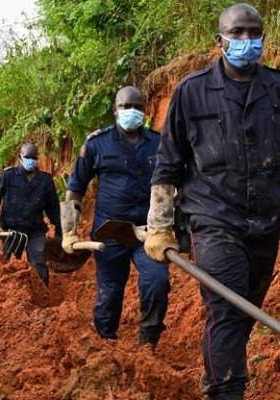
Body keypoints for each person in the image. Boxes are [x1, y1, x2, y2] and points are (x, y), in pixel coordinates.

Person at [144, 4, 278, 399]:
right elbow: (168, 164)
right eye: (236, 34)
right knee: (227, 307)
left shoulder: (276, 89)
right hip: (213, 220)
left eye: (253, 33)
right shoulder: (191, 91)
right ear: (218, 40)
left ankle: (218, 371)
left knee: (246, 308)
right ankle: (226, 390)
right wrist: (160, 226)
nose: (245, 41)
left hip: (267, 223)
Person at [61, 86, 170, 346]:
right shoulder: (97, 144)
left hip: (147, 232)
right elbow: (75, 189)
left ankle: (148, 342)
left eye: (138, 107)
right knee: (109, 292)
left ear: (145, 111)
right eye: (125, 106)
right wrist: (68, 230)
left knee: (157, 283)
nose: (131, 111)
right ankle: (105, 342)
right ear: (115, 110)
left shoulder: (158, 143)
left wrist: (169, 227)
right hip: (109, 233)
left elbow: (170, 185)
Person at [0, 143, 62, 286]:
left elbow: (54, 210)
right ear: (20, 157)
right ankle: (11, 299)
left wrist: (60, 233)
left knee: (39, 262)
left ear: (37, 159)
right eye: (27, 157)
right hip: (11, 230)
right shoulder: (7, 176)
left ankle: (43, 296)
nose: (30, 161)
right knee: (12, 265)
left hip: (35, 230)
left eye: (33, 158)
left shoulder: (45, 181)